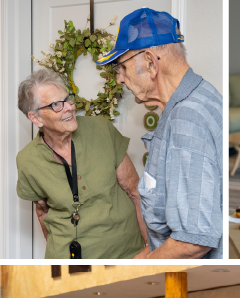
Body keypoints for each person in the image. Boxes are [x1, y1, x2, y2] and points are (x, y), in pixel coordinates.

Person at [96, 8, 223, 259]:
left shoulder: (186, 120)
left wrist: (141, 270)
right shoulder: (202, 94)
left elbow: (193, 241)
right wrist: (147, 253)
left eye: (121, 67)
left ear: (151, 63)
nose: (119, 79)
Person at [16, 69, 146, 259]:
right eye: (56, 105)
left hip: (129, 255)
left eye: (67, 99)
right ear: (35, 118)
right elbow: (42, 213)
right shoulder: (27, 160)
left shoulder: (102, 130)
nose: (69, 107)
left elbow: (136, 193)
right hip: (72, 263)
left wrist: (150, 247)